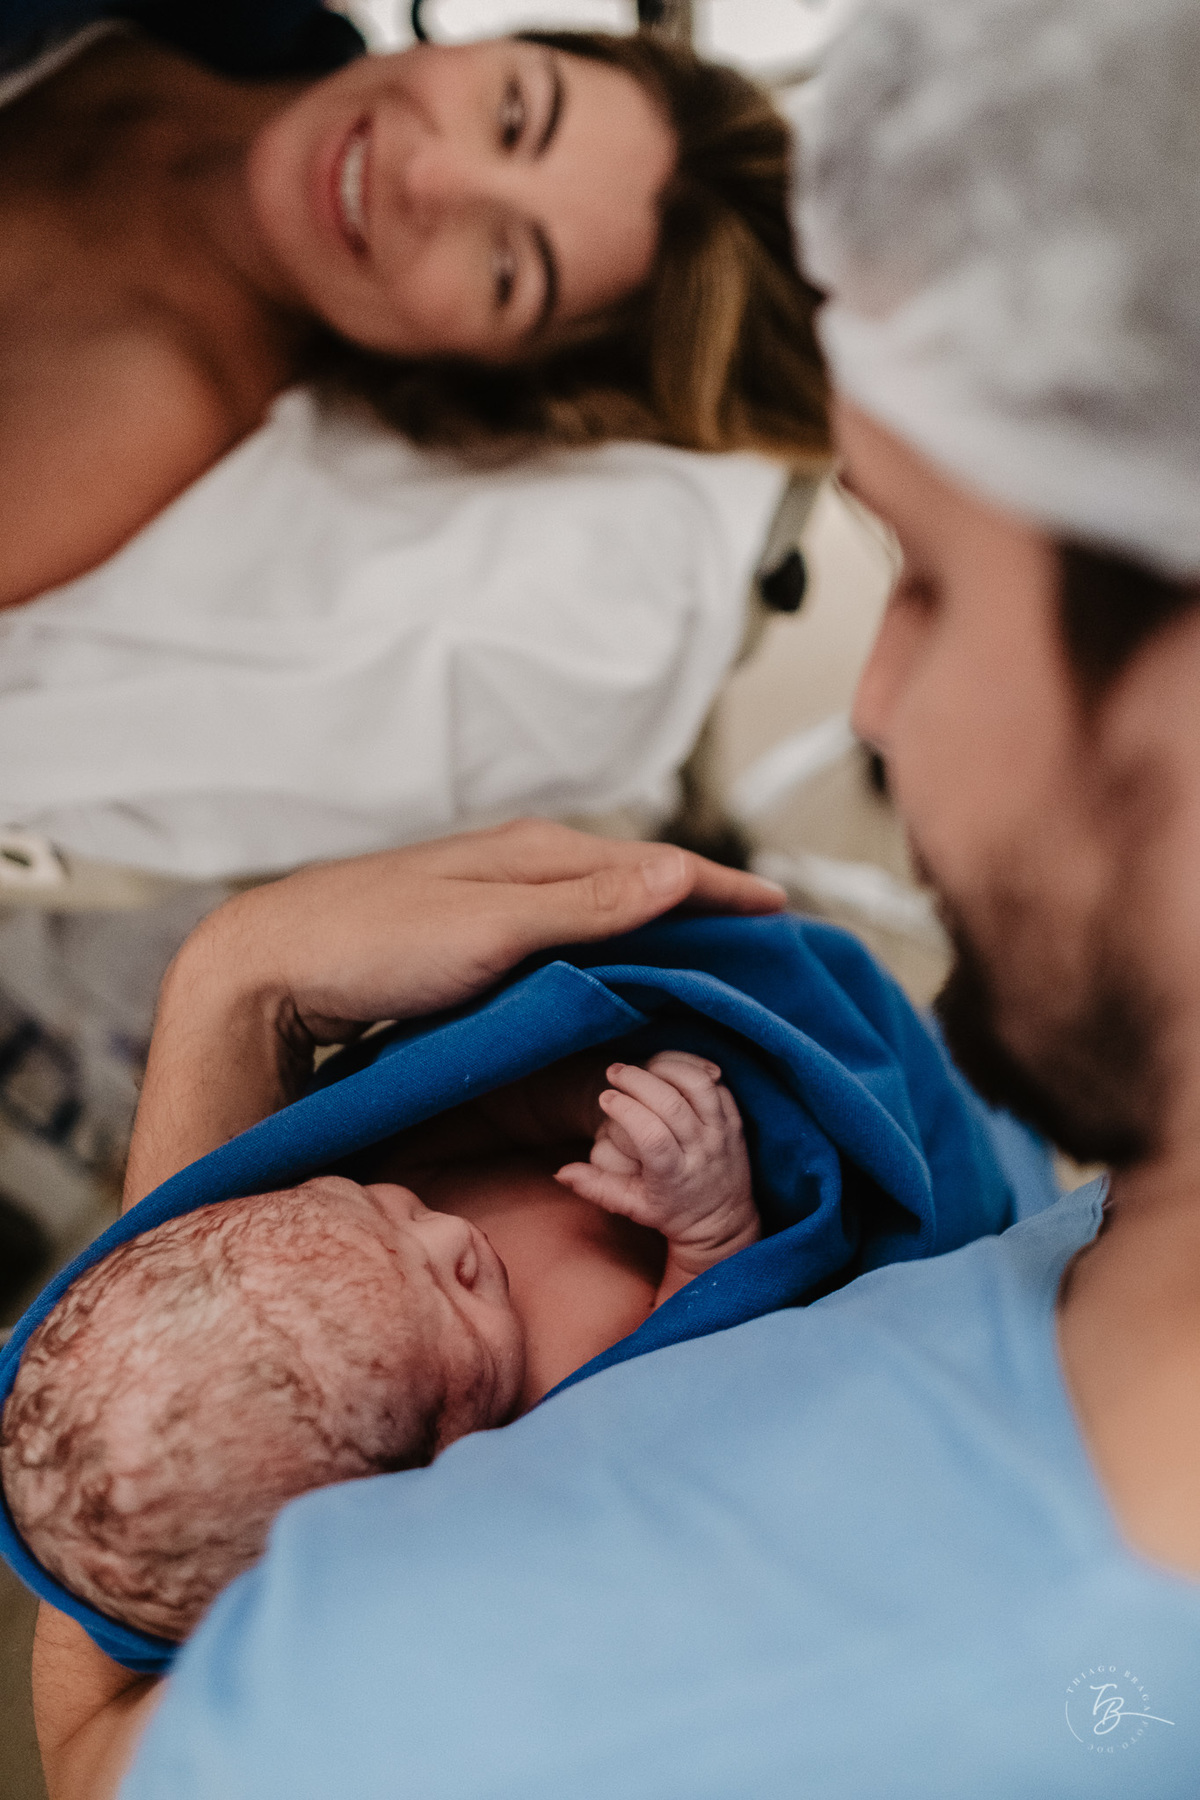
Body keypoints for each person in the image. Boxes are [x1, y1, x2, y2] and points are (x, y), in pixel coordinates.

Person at [29, 0, 1200, 1792]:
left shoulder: (461, 1689)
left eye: (937, 585)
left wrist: (236, 990)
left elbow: (112, 1746)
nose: (872, 698)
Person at [0, 13, 828, 609]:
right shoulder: (264, 27)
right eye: (512, 116)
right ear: (501, 38)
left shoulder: (141, 405)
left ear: (485, 370)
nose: (427, 177)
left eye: (508, 270)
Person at [2, 1047, 761, 1644]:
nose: (449, 1235)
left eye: (388, 1211)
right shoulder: (560, 1429)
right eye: (451, 1300)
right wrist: (708, 1225)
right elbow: (725, 1361)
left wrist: (610, 1107)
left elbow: (499, 1106)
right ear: (424, 1484)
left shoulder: (398, 1171)